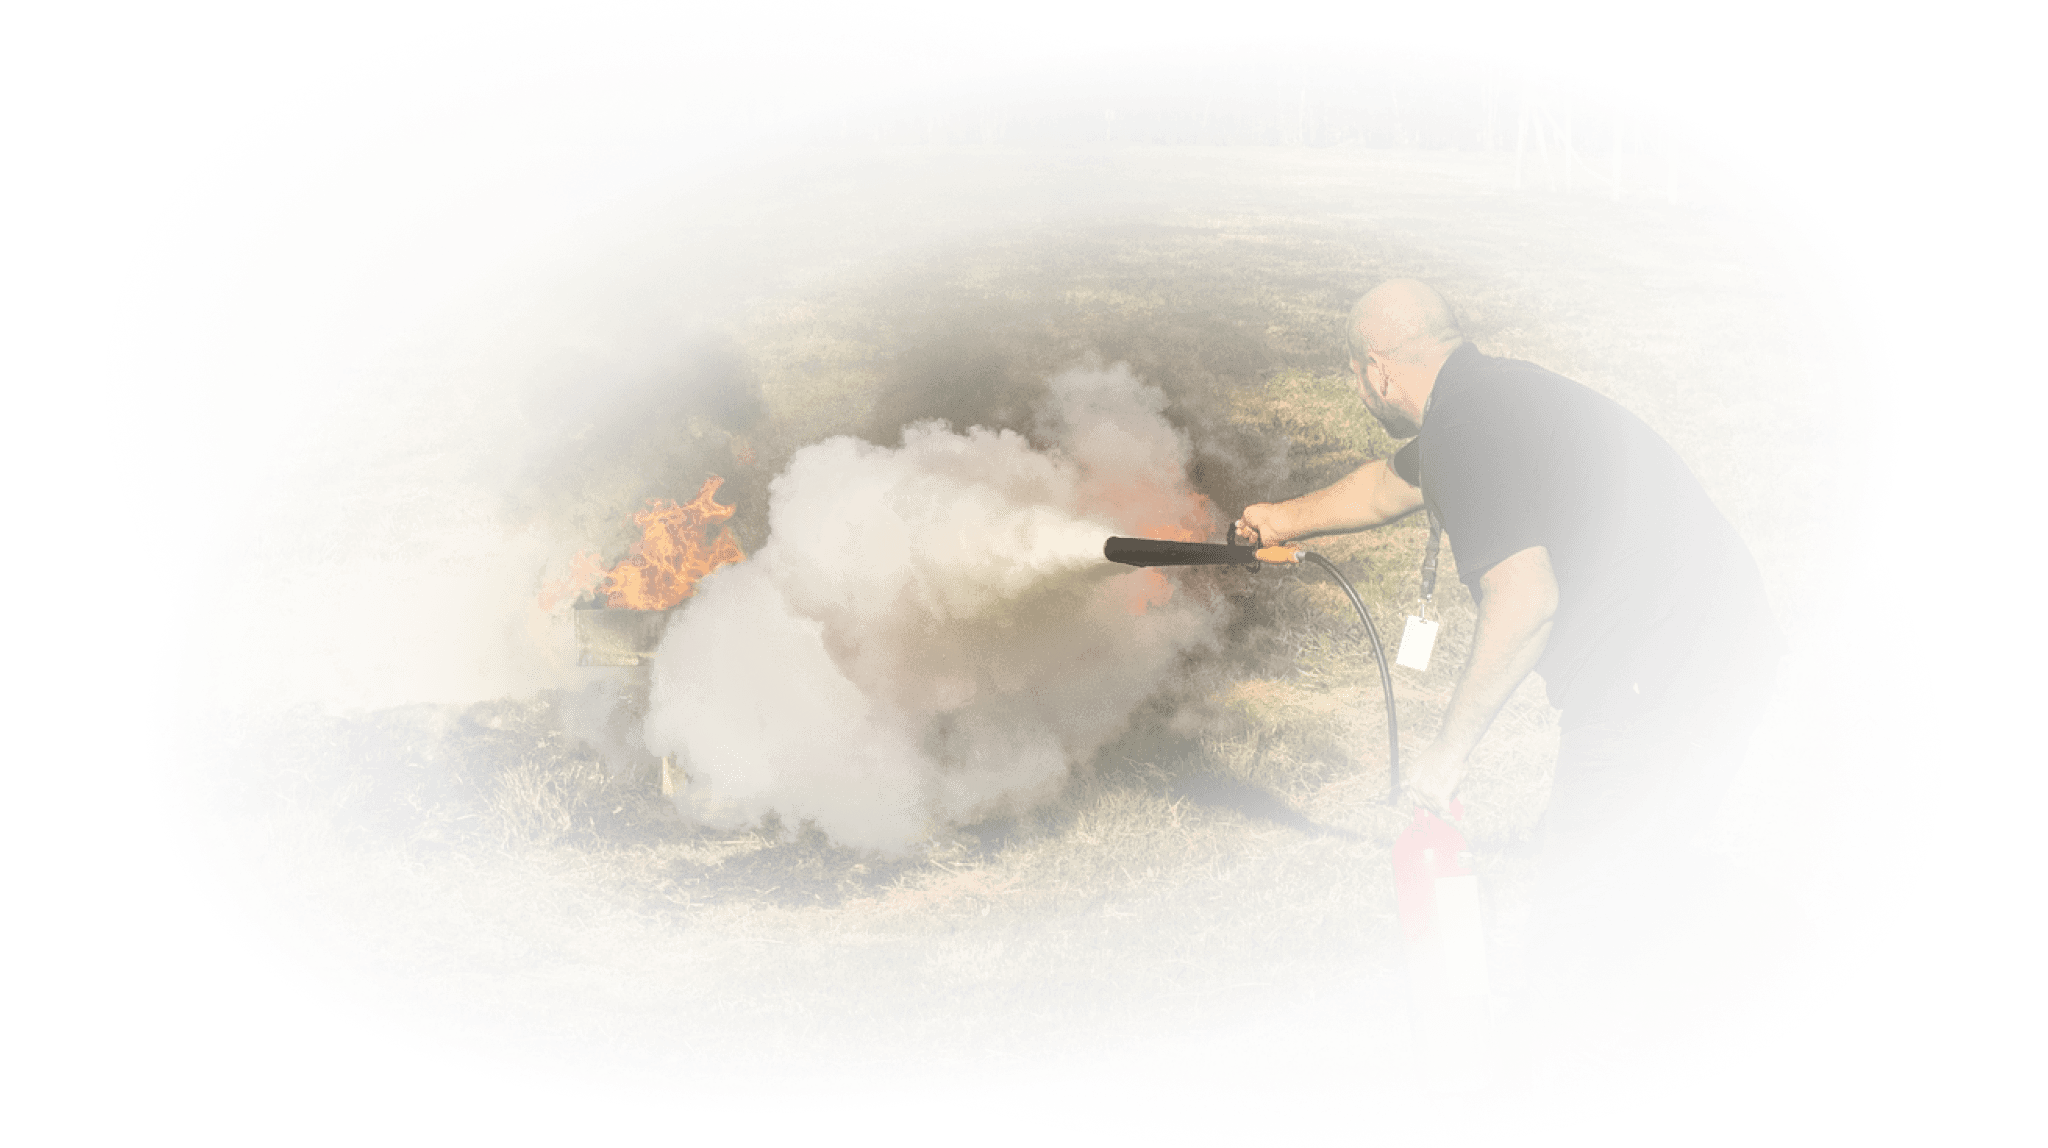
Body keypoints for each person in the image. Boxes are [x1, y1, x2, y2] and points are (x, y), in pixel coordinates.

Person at [1236, 279, 1817, 1103]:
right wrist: (1281, 520)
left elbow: (1526, 599)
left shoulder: (1471, 435)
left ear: (1376, 372)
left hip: (1663, 679)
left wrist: (1450, 748)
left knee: (1574, 940)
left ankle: (1511, 1102)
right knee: (1627, 868)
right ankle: (1791, 941)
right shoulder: (1493, 396)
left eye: (1353, 378)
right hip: (1722, 640)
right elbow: (1385, 487)